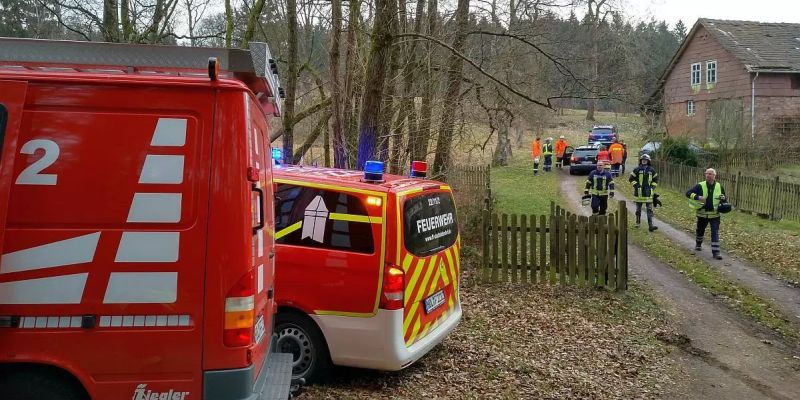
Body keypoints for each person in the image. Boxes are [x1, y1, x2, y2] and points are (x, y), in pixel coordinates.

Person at [686, 168, 727, 260]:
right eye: (706, 173)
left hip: (715, 215)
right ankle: (698, 244)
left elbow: (724, 199)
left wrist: (723, 199)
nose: (708, 175)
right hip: (702, 214)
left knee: (714, 232)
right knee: (700, 230)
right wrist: (697, 197)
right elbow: (688, 193)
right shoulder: (700, 185)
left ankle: (716, 253)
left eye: (710, 174)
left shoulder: (719, 186)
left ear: (714, 176)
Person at [629, 154, 659, 231]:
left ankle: (650, 225)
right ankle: (637, 223)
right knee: (638, 210)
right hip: (639, 193)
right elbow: (631, 179)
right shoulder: (637, 169)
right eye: (643, 160)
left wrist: (652, 187)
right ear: (640, 161)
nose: (644, 161)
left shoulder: (652, 170)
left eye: (645, 160)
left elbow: (655, 180)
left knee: (649, 210)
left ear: (648, 161)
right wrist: (636, 185)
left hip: (648, 193)